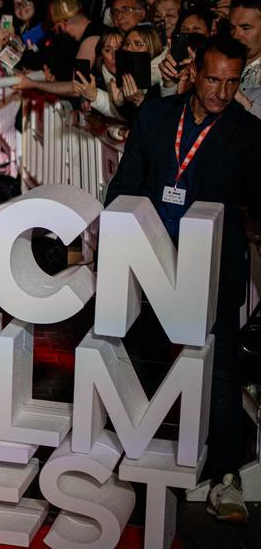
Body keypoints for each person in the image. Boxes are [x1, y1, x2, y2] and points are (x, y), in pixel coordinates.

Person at [105, 35, 261, 524]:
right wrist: (117, 242)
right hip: (151, 259)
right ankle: (132, 458)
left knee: (219, 371)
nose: (222, 92)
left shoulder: (248, 133)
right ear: (193, 72)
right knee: (141, 358)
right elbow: (125, 184)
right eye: (213, 79)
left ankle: (226, 477)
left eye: (232, 82)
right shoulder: (155, 116)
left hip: (214, 269)